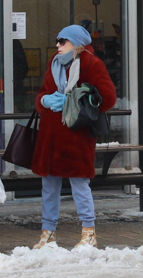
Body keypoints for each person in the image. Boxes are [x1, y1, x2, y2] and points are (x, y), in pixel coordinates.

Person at [32, 24, 116, 250]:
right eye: (58, 41)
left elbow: (107, 98)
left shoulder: (91, 64)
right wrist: (45, 101)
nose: (58, 45)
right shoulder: (55, 63)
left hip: (76, 136)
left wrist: (77, 101)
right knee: (49, 185)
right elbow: (41, 94)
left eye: (63, 41)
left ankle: (89, 233)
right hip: (50, 135)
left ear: (77, 44)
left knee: (79, 184)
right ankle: (47, 234)